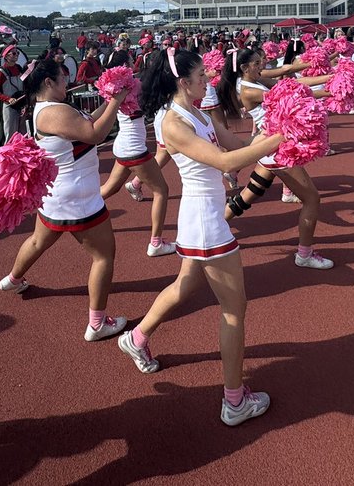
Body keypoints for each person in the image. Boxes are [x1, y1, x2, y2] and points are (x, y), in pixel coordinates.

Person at [116, 47, 282, 427]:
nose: (208, 80)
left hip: (201, 220)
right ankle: (235, 401)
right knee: (234, 310)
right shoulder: (173, 122)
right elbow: (224, 163)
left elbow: (235, 146)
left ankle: (137, 337)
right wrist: (279, 140)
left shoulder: (197, 110)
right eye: (202, 76)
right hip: (205, 222)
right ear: (182, 80)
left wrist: (272, 132)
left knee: (183, 286)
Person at [0, 58, 131, 342]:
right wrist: (117, 102)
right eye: (62, 76)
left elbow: (85, 122)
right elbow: (95, 133)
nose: (67, 80)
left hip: (58, 196)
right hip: (77, 198)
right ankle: (96, 324)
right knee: (103, 256)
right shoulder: (54, 112)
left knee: (38, 241)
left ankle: (13, 279)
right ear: (48, 82)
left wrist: (108, 100)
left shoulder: (47, 110)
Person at [216, 47, 334, 268]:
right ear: (244, 68)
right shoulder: (249, 90)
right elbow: (294, 96)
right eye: (257, 63)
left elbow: (295, 86)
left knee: (251, 192)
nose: (262, 65)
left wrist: (330, 78)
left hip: (267, 146)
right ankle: (304, 255)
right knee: (312, 199)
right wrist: (327, 92)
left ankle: (215, 227)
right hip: (275, 149)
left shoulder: (255, 81)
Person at [98, 50, 176, 257]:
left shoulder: (114, 87)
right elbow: (152, 93)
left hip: (123, 146)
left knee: (108, 190)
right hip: (133, 148)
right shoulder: (132, 85)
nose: (134, 63)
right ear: (125, 65)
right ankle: (156, 243)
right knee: (161, 191)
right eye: (131, 61)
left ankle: (77, 211)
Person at [0, 44, 26, 143]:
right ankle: (8, 156)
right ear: (6, 56)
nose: (16, 55)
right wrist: (7, 99)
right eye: (13, 53)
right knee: (11, 136)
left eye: (17, 53)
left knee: (23, 134)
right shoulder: (1, 72)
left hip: (21, 105)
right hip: (10, 106)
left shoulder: (19, 68)